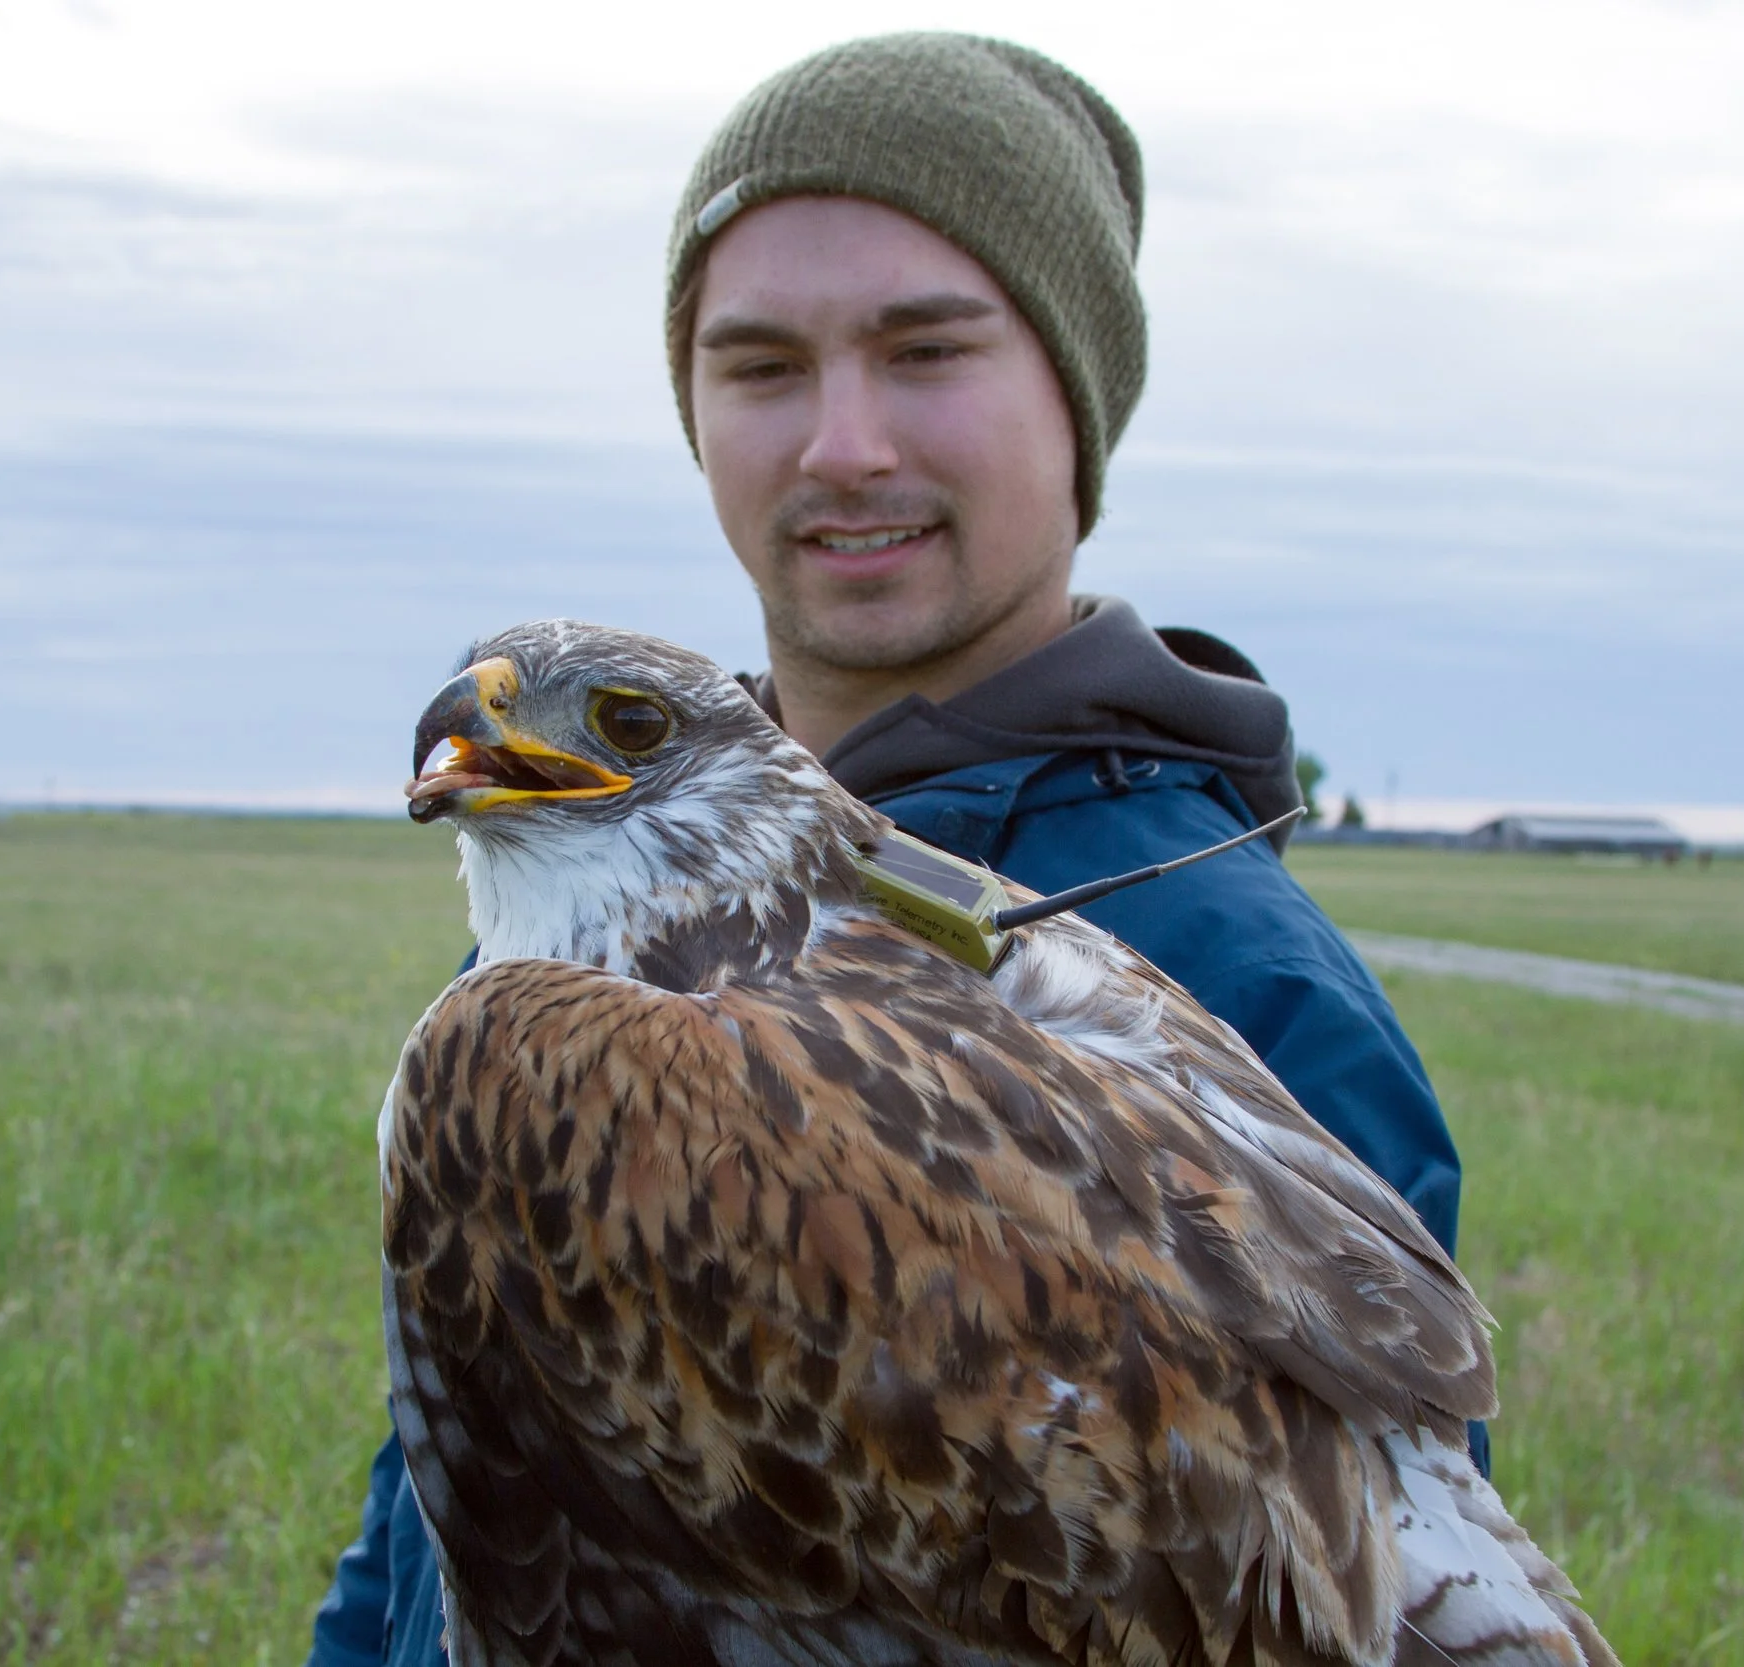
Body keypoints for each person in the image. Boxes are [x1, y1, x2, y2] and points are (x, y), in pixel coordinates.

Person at [305, 34, 1473, 1667]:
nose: (841, 445)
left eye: (926, 351)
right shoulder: (599, 897)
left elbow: (1345, 1594)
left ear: (1075, 398)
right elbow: (449, 1494)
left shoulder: (1243, 987)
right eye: (763, 365)